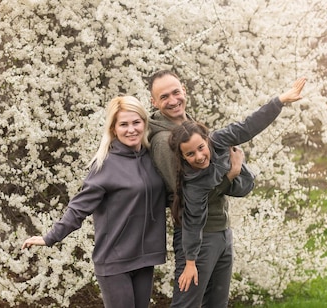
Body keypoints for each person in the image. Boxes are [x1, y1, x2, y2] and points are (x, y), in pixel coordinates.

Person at [167, 77, 307, 307]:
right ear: (182, 158)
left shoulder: (219, 139)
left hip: (224, 233)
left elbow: (248, 126)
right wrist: (190, 261)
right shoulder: (193, 183)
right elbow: (193, 223)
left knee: (218, 302)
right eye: (190, 154)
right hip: (202, 240)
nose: (199, 157)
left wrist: (280, 100)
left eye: (201, 148)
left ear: (206, 140)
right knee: (187, 303)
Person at [22, 95, 168, 308]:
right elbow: (79, 207)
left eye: (136, 122)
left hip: (144, 258)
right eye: (123, 124)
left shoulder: (151, 157)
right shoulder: (105, 165)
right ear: (113, 129)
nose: (131, 130)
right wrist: (50, 237)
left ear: (145, 123)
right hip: (114, 261)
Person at [148, 69, 256, 307]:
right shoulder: (164, 142)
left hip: (220, 230)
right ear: (153, 102)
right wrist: (231, 174)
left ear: (184, 90)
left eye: (176, 92)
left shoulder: (190, 128)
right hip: (197, 237)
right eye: (164, 97)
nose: (173, 100)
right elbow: (188, 197)